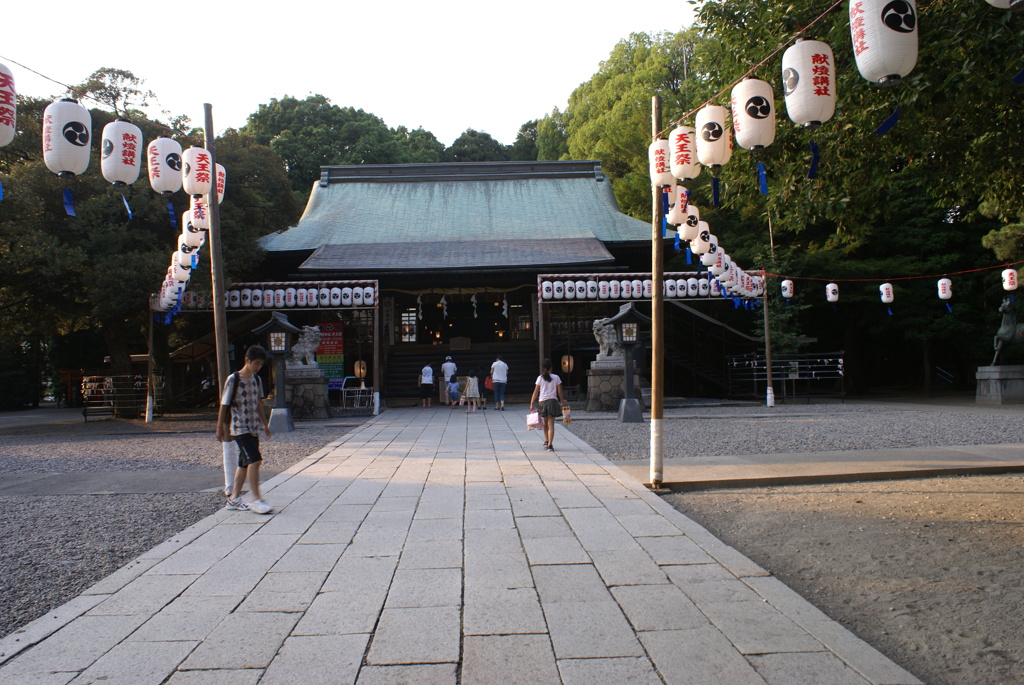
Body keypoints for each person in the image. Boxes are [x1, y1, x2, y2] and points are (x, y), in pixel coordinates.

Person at [215, 345, 273, 514]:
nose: (258, 367)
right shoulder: (233, 379)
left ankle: (233, 499)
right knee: (255, 460)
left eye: (260, 364)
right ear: (247, 360)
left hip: (253, 427)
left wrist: (265, 425)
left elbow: (258, 404)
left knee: (244, 463)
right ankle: (256, 499)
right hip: (239, 427)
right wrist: (219, 427)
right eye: (256, 363)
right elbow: (224, 405)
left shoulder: (257, 380)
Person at [529, 358, 564, 451]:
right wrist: (562, 400)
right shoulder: (556, 377)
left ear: (543, 367)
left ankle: (546, 440)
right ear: (551, 367)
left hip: (542, 402)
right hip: (552, 402)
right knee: (551, 424)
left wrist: (531, 403)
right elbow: (559, 391)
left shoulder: (540, 378)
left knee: (545, 424)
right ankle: (550, 444)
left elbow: (535, 392)